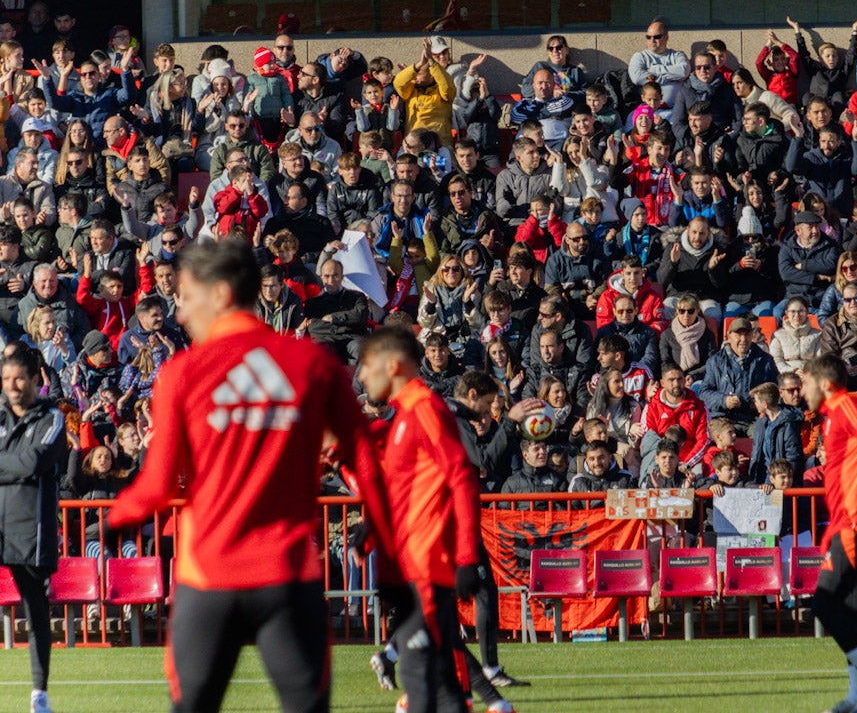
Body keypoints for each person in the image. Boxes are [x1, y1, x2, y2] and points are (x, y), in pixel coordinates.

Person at [106, 238, 394, 713]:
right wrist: (377, 518)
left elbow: (155, 489)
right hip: (289, 577)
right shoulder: (315, 365)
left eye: (186, 297)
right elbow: (367, 461)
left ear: (219, 294)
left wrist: (114, 519)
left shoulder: (182, 372)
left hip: (207, 579)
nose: (178, 314)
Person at [357, 327, 517, 713]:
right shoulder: (407, 413)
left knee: (425, 681)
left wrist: (464, 558)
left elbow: (461, 477)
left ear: (392, 365)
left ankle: (495, 704)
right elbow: (403, 488)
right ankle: (497, 705)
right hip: (411, 560)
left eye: (366, 366)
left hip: (429, 560)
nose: (361, 376)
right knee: (441, 678)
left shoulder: (423, 408)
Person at [800, 354, 857, 713]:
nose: (801, 390)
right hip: (847, 522)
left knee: (824, 603)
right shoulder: (830, 417)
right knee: (852, 609)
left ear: (824, 384)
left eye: (805, 383)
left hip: (855, 521)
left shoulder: (847, 405)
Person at [0, 347, 67, 713]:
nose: (12, 386)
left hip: (30, 530)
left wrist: (15, 464)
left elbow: (35, 462)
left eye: (19, 378)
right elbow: (21, 464)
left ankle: (39, 694)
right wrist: (17, 465)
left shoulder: (52, 418)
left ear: (36, 379)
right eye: (6, 379)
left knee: (36, 610)